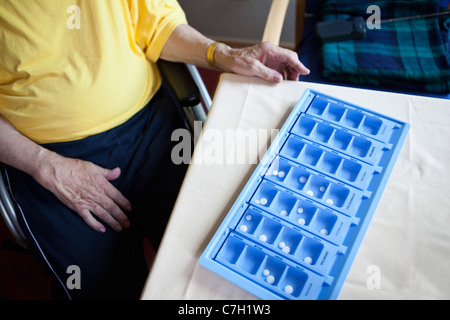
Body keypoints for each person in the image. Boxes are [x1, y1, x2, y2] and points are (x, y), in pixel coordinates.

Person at [0, 0, 309, 299]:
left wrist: (225, 54)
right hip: (51, 156)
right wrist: (46, 166)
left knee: (222, 256)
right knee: (101, 286)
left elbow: (158, 24)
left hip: (152, 122)